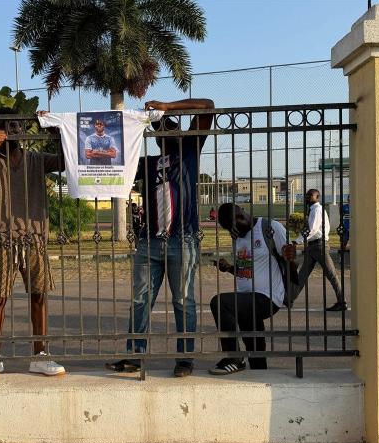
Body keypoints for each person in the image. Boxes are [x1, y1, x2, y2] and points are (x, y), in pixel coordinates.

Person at [105, 98, 215, 377]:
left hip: (183, 240)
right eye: (160, 130)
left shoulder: (190, 150)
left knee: (183, 301)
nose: (165, 133)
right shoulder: (149, 163)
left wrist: (167, 106)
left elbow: (208, 106)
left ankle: (185, 359)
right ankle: (134, 356)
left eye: (170, 128)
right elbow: (114, 161)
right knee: (141, 300)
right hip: (148, 242)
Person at [0, 107, 65, 382]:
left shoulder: (35, 159)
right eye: (6, 125)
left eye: (16, 124)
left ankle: (40, 355)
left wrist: (54, 130)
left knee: (39, 295)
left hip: (34, 238)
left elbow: (65, 161)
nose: (12, 129)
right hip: (2, 238)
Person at [208, 203, 297, 374]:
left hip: (267, 297)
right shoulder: (238, 237)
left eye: (236, 224)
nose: (236, 230)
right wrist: (229, 268)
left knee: (220, 303)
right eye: (231, 229)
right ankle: (260, 374)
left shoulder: (270, 228)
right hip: (247, 298)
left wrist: (290, 259)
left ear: (241, 212)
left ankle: (234, 356)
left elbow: (291, 264)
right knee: (255, 345)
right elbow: (245, 271)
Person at [293, 189, 346, 312]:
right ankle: (289, 299)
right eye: (307, 195)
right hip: (312, 246)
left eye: (310, 195)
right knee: (302, 275)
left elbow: (313, 229)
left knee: (331, 274)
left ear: (317, 197)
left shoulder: (317, 210)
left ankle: (342, 301)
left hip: (319, 246)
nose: (307, 197)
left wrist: (297, 240)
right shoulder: (312, 210)